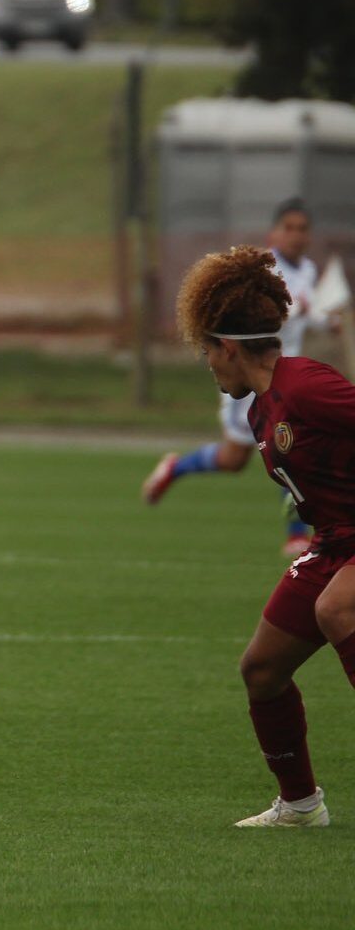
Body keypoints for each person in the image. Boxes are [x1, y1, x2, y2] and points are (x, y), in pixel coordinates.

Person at [173, 245, 355, 828]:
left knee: (338, 610)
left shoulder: (305, 386)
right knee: (261, 669)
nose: (208, 365)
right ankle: (300, 806)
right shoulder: (260, 410)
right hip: (332, 545)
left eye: (206, 351)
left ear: (227, 346)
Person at [144, 197, 333, 557]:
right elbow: (259, 317)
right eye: (288, 228)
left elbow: (310, 312)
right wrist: (299, 311)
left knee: (288, 443)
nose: (295, 235)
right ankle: (176, 467)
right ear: (274, 232)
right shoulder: (266, 270)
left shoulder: (307, 269)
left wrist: (328, 320)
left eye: (302, 229)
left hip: (280, 375)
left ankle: (297, 532)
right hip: (248, 376)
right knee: (236, 459)